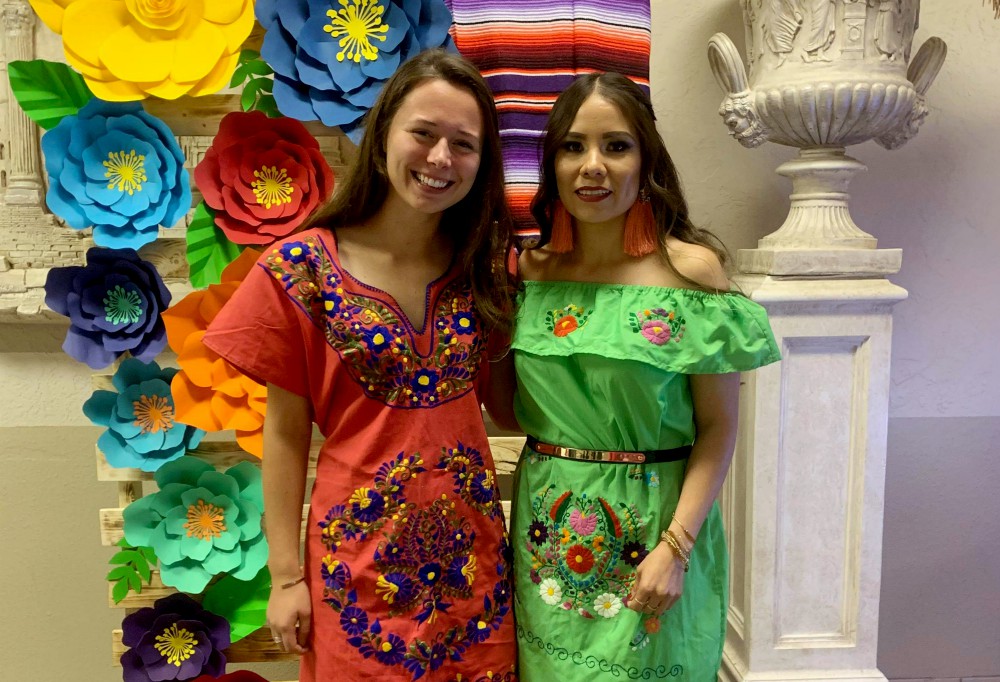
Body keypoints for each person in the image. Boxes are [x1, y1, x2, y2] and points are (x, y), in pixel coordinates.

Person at [202, 49, 519, 681]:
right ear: (382, 139)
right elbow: (286, 435)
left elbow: (512, 408)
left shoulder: (486, 270)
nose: (439, 159)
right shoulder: (304, 270)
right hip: (354, 575)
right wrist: (286, 576)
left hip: (472, 572)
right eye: (423, 133)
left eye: (464, 144)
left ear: (482, 165)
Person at [491, 72, 780, 679]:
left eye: (615, 146)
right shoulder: (531, 272)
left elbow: (719, 429)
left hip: (655, 534)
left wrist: (676, 548)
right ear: (551, 165)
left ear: (646, 159)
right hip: (549, 534)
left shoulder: (691, 275)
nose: (592, 165)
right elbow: (510, 411)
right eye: (573, 146)